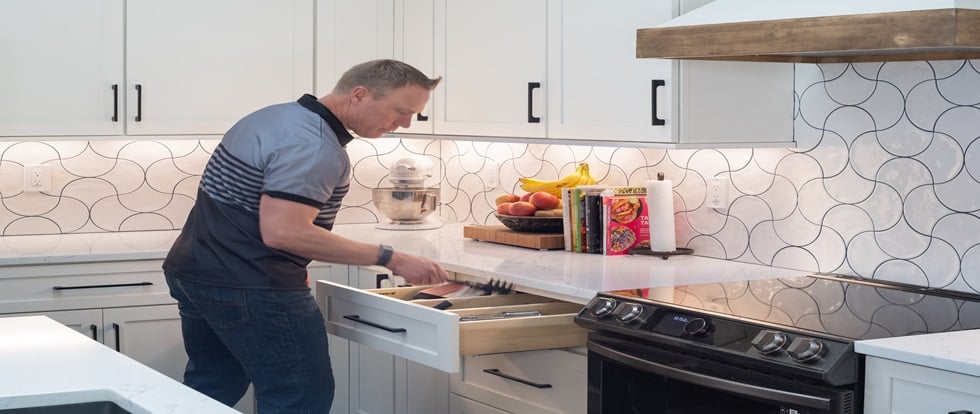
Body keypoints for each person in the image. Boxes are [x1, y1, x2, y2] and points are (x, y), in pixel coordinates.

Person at [162, 59, 449, 413]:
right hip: (252, 286)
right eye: (401, 111)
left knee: (210, 388)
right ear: (359, 95)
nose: (404, 123)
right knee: (300, 398)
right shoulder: (316, 146)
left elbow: (256, 216)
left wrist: (292, 261)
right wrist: (393, 257)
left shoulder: (273, 116)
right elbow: (284, 232)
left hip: (195, 272)